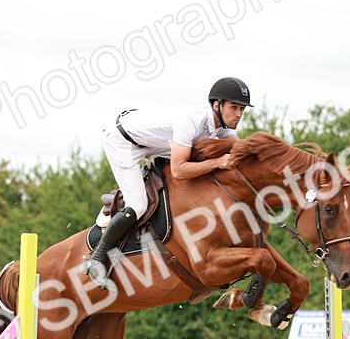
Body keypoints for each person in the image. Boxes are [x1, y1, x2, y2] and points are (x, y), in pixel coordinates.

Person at [83, 77, 253, 287]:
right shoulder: (191, 121)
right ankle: (96, 257)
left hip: (153, 142)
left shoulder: (223, 127)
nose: (238, 115)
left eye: (242, 109)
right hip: (123, 141)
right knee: (138, 205)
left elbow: (241, 150)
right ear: (217, 105)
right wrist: (218, 162)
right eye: (234, 107)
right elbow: (179, 170)